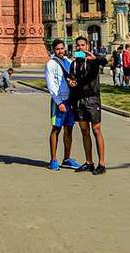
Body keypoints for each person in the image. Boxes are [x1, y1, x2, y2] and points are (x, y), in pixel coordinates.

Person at [66, 36, 108, 174]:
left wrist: (94, 57)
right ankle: (89, 162)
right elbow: (73, 80)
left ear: (87, 46)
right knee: (84, 131)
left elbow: (105, 61)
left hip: (92, 99)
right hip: (79, 100)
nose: (80, 48)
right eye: (78, 46)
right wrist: (71, 84)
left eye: (82, 45)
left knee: (96, 130)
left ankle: (101, 164)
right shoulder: (74, 64)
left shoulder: (93, 62)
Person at [45, 39, 79, 171]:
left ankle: (67, 158)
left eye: (62, 48)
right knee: (56, 128)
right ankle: (53, 159)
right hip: (59, 101)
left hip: (70, 100)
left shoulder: (69, 62)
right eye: (58, 49)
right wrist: (59, 102)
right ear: (54, 50)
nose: (60, 51)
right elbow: (51, 85)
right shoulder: (51, 64)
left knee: (69, 129)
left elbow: (74, 78)